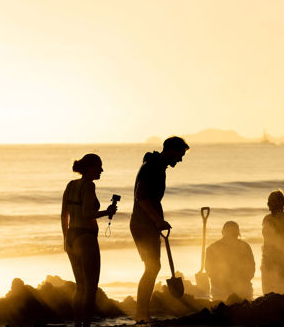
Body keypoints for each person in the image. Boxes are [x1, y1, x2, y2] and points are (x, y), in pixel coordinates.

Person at [130, 136, 189, 322]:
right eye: (179, 154)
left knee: (152, 267)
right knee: (152, 266)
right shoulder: (152, 167)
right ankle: (141, 313)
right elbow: (141, 197)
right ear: (170, 150)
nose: (180, 159)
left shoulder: (157, 166)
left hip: (146, 223)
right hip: (143, 224)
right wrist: (157, 220)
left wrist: (157, 220)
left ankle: (143, 312)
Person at [61, 154, 117, 326]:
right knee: (91, 288)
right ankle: (85, 325)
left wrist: (65, 239)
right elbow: (87, 214)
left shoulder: (71, 185)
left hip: (72, 236)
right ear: (89, 167)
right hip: (86, 237)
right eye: (99, 166)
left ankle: (78, 324)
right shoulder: (89, 186)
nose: (102, 170)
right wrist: (107, 212)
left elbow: (64, 214)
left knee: (80, 287)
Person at [205, 221, 255, 301]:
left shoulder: (211, 248)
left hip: (233, 289)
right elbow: (251, 270)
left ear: (222, 233)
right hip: (223, 288)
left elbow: (209, 271)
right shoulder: (245, 247)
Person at [261, 190, 284, 294]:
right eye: (268, 202)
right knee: (267, 293)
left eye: (271, 202)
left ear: (280, 203)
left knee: (280, 292)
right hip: (267, 259)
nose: (268, 204)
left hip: (281, 260)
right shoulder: (266, 219)